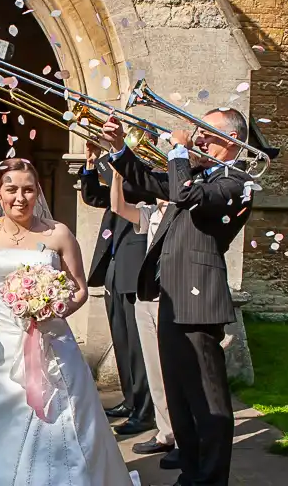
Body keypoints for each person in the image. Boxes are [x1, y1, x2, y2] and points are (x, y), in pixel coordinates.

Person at [0, 159, 135, 485]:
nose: (21, 197)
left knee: (62, 419)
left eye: (28, 189)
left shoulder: (58, 233)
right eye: (11, 189)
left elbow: (80, 289)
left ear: (37, 192)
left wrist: (53, 309)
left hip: (53, 341)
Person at [102, 108, 254, 486]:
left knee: (208, 399)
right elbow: (148, 182)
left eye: (207, 133)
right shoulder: (198, 174)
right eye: (197, 133)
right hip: (170, 295)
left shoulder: (237, 180)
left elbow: (185, 194)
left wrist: (179, 152)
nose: (198, 138)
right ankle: (191, 468)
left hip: (199, 299)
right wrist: (120, 148)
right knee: (180, 395)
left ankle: (212, 478)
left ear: (232, 139)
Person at [78, 142, 155, 435]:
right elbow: (93, 196)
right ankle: (129, 399)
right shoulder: (120, 175)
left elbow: (127, 194)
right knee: (121, 339)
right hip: (112, 263)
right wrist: (90, 163)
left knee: (137, 345)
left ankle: (145, 410)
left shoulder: (145, 175)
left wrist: (117, 162)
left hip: (134, 266)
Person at [108, 166, 176, 458]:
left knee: (172, 371)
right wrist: (117, 175)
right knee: (154, 370)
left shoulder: (182, 208)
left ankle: (184, 438)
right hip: (147, 297)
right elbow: (117, 206)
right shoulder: (153, 212)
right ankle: (165, 433)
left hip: (171, 299)